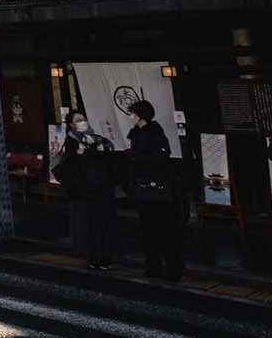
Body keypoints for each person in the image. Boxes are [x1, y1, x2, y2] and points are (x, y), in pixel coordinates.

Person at [124, 100, 182, 281]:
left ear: (140, 115)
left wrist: (136, 157)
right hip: (143, 188)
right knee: (148, 232)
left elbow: (161, 157)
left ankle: (173, 269)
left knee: (166, 231)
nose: (132, 117)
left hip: (157, 188)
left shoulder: (155, 133)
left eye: (133, 114)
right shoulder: (136, 134)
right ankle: (153, 267)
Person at [55, 109, 117, 270]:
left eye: (83, 119)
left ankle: (104, 256)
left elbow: (108, 155)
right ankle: (95, 256)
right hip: (85, 188)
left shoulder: (96, 138)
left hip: (101, 186)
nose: (82, 122)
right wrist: (80, 154)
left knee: (102, 223)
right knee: (90, 224)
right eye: (78, 120)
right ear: (71, 125)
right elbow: (70, 163)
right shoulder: (71, 141)